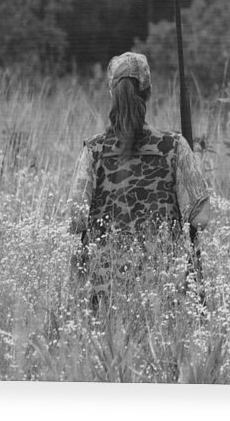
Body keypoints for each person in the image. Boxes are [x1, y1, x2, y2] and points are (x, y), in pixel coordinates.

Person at [68, 52, 211, 305]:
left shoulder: (94, 150)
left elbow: (76, 219)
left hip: (104, 292)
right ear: (149, 92)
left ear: (112, 93)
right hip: (163, 291)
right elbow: (201, 219)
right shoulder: (175, 146)